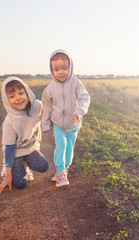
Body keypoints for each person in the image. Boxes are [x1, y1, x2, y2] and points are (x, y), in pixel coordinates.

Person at [42, 49, 90, 187]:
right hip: (58, 123)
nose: (61, 72)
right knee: (61, 144)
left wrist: (78, 112)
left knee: (69, 148)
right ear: (52, 70)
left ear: (70, 67)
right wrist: (46, 124)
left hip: (74, 123)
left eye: (64, 68)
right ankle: (60, 171)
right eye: (56, 69)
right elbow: (46, 105)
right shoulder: (50, 88)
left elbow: (85, 98)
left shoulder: (76, 83)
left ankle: (64, 168)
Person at [0, 77, 49, 193]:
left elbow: (51, 112)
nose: (18, 98)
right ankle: (8, 167)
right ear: (6, 100)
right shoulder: (9, 122)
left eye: (21, 93)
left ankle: (26, 165)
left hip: (30, 148)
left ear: (27, 92)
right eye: (12, 96)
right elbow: (9, 150)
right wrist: (8, 176)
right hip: (15, 153)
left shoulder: (37, 107)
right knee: (20, 184)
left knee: (43, 166)